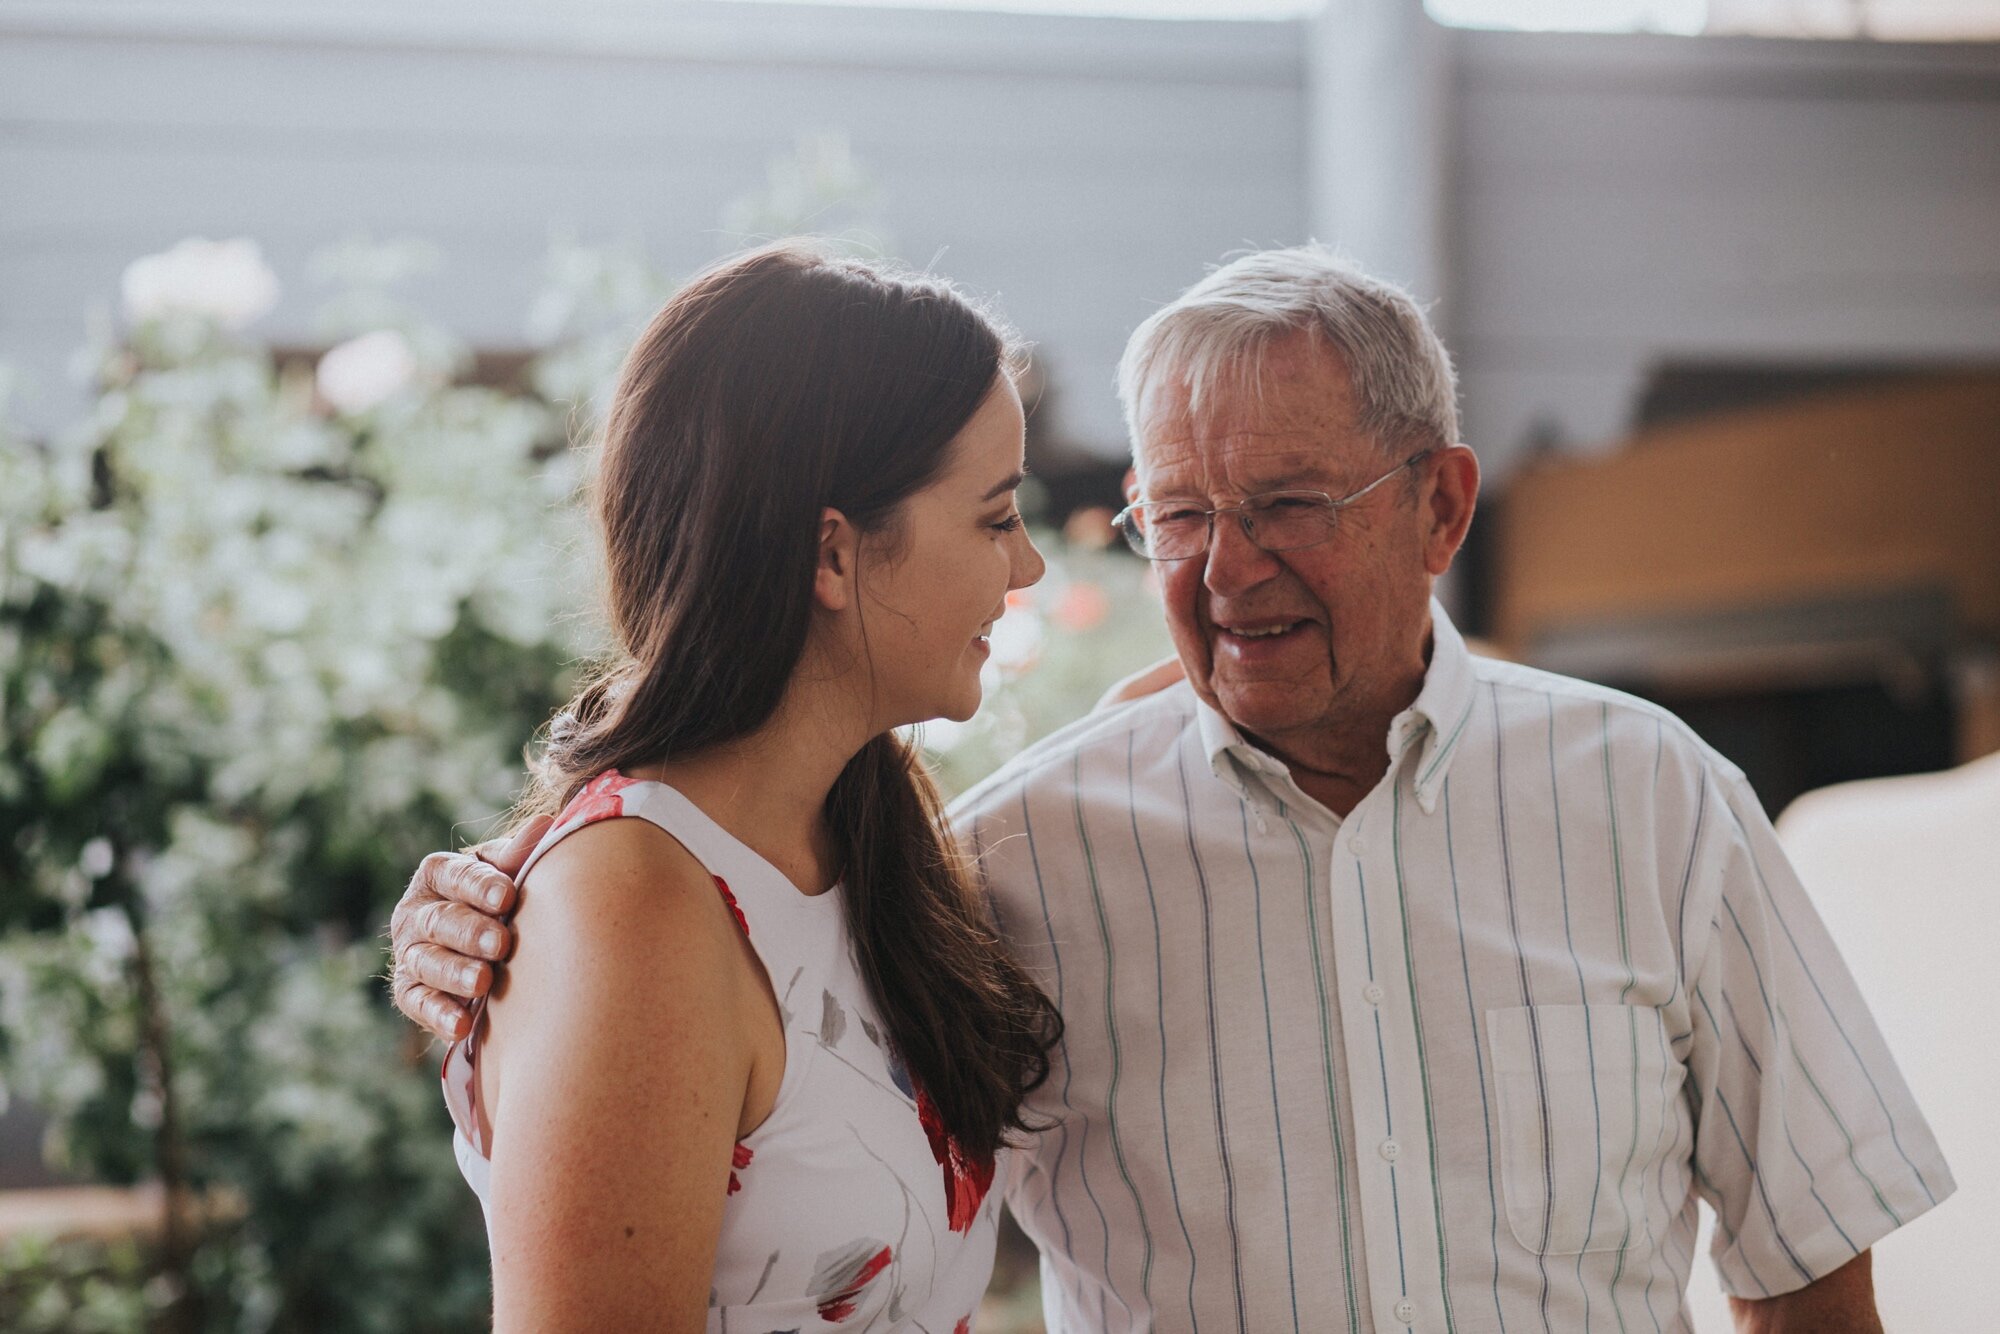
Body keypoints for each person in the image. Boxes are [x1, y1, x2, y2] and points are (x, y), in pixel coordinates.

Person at [392, 245, 1952, 1332]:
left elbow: (1811, 1274)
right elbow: (652, 971)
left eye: (1287, 505)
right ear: (831, 549)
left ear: (1440, 505)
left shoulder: (1657, 798)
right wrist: (497, 928)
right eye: (1181, 516)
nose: (1223, 568)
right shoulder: (1003, 860)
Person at [417, 238, 1064, 1331]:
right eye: (994, 518)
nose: (1028, 566)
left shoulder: (861, 840)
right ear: (832, 553)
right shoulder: (634, 908)